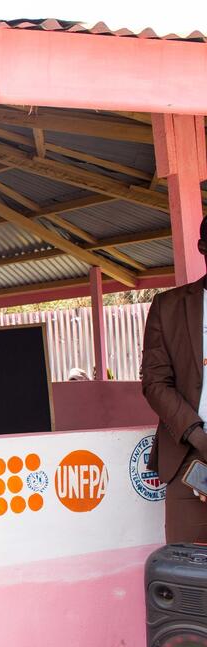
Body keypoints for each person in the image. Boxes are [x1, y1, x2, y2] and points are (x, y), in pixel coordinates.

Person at [142, 214, 207, 543]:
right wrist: (198, 437)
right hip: (188, 453)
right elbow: (154, 382)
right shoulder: (168, 306)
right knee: (187, 574)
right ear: (202, 246)